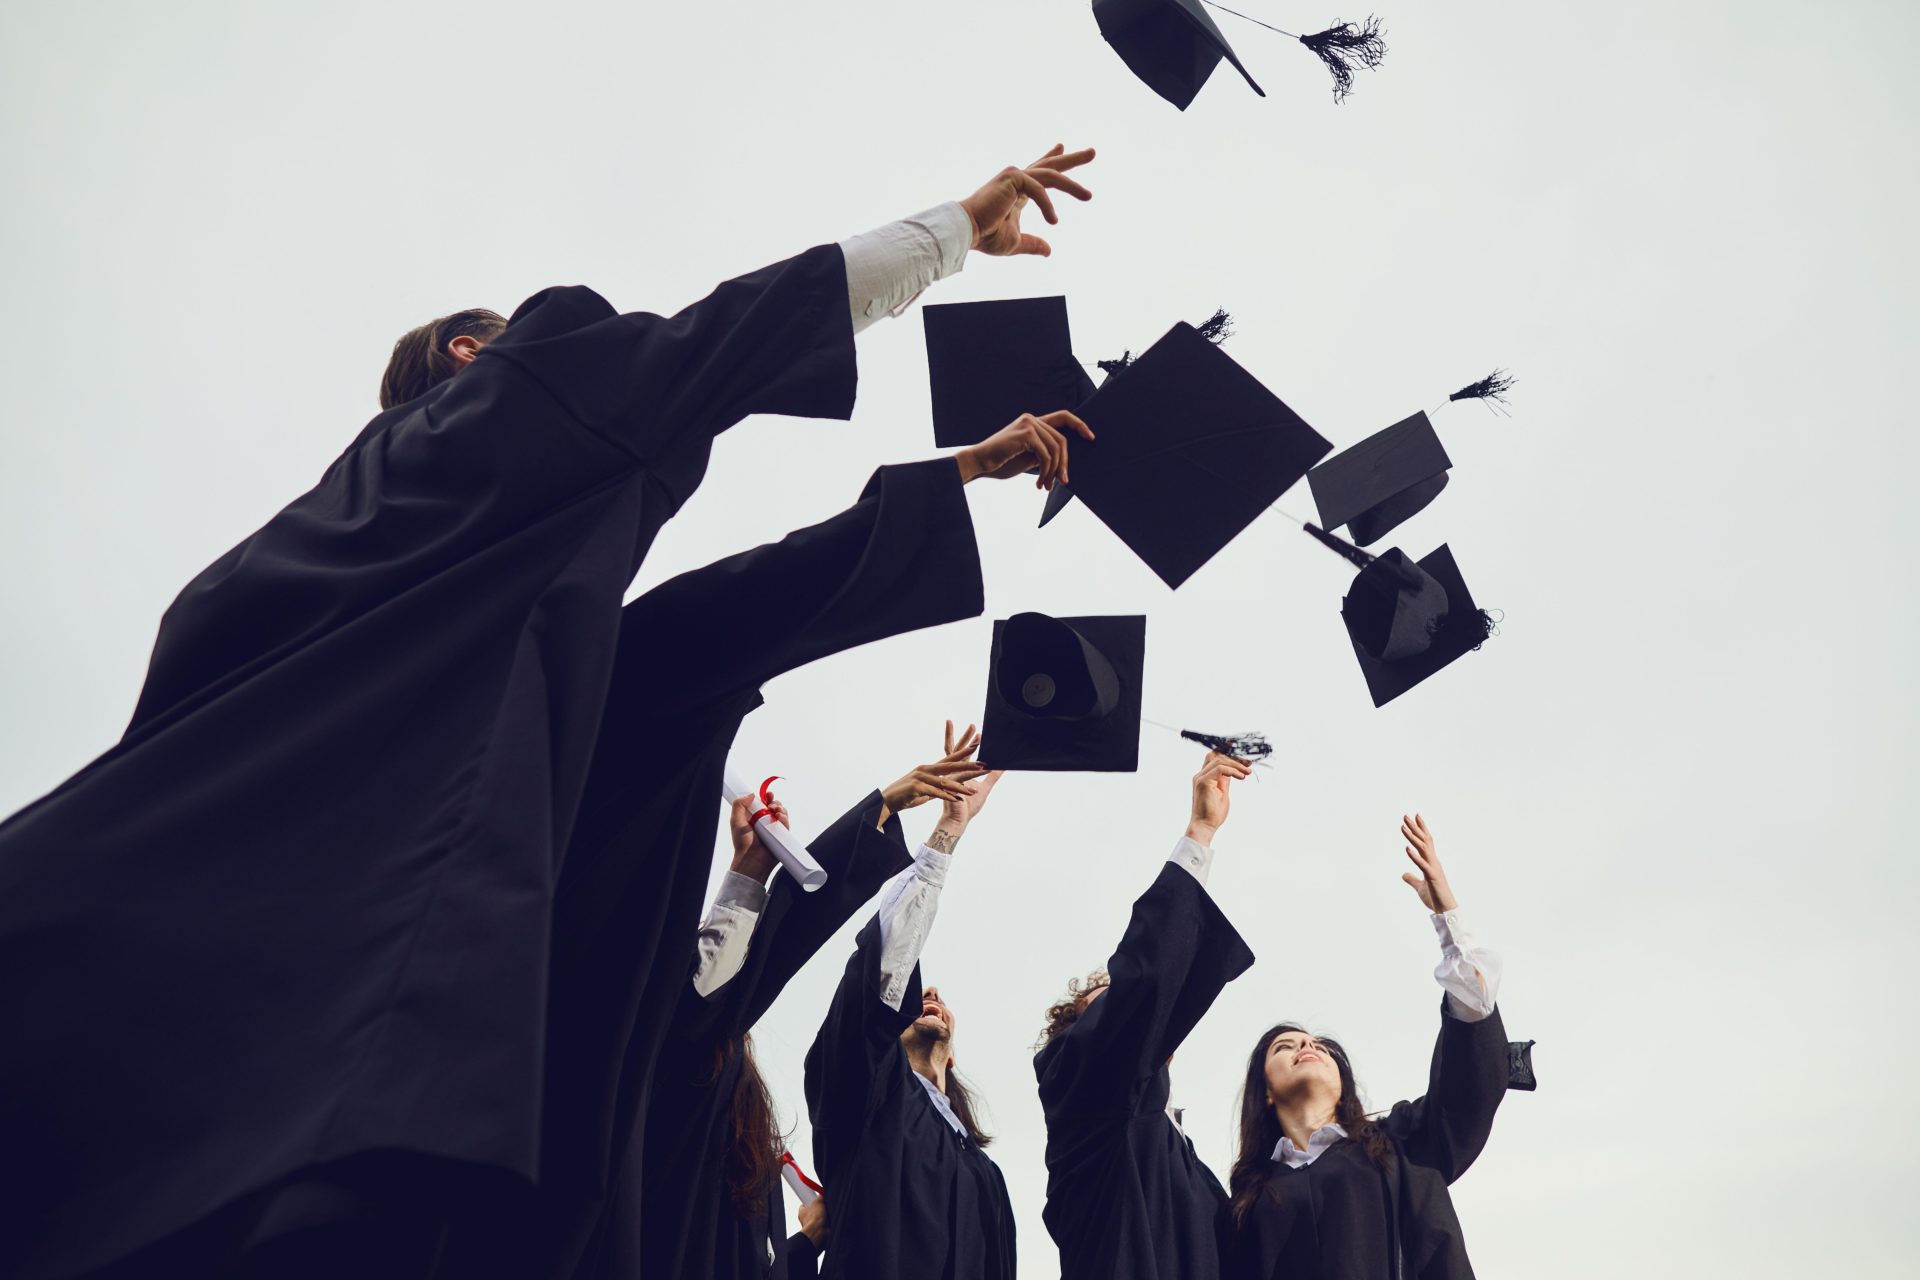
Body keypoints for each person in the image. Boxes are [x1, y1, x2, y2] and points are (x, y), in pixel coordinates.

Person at [0, 144, 1096, 1280]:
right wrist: (950, 237)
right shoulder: (492, 418)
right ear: (484, 360)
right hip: (383, 1109)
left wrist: (949, 477)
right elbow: (703, 369)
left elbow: (709, 622)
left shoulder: (281, 590)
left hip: (122, 1033)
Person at [615, 727, 991, 1279]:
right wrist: (895, 816)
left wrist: (801, 1245)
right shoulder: (670, 1064)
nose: (929, 996)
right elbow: (764, 959)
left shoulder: (752, 1156)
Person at [1220, 814, 1510, 1280]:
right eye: (1284, 1047)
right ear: (1266, 1091)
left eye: (1318, 1045)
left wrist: (1448, 920)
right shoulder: (1246, 1203)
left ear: (1342, 1084)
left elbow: (1468, 1089)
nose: (1305, 1047)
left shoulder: (1400, 1146)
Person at [801, 726, 1013, 1280]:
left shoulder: (984, 1178)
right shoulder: (865, 1095)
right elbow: (879, 974)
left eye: (939, 996)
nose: (931, 993)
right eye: (914, 995)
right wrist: (948, 831)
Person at [1034, 752, 1256, 1280]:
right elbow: (1144, 980)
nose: (1123, 999)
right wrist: (1199, 832)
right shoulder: (1079, 1087)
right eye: (1104, 996)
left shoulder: (1193, 1166)